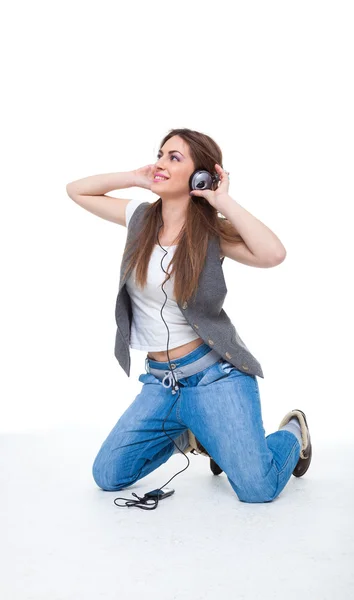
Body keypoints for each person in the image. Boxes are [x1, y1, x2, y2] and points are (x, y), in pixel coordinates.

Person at [66, 127, 312, 503]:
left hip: (215, 377)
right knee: (108, 475)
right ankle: (193, 431)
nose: (161, 163)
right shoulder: (139, 217)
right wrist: (135, 177)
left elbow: (273, 254)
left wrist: (222, 201)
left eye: (174, 158)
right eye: (161, 154)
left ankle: (293, 432)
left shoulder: (212, 231)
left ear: (200, 177)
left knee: (257, 489)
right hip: (162, 384)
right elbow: (76, 190)